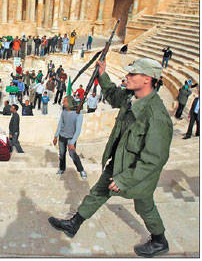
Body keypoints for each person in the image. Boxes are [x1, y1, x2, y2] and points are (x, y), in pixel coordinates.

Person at [48, 58, 173, 258]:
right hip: (119, 162)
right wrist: (102, 74)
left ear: (147, 79)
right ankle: (74, 224)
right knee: (98, 192)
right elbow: (114, 95)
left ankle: (160, 240)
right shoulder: (131, 97)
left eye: (132, 74)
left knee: (145, 207)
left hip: (138, 173)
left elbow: (155, 159)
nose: (127, 77)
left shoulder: (156, 116)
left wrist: (125, 179)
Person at [53, 95, 86, 178]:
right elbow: (60, 124)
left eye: (65, 101)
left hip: (71, 138)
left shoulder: (78, 115)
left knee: (73, 155)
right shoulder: (64, 112)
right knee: (61, 154)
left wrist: (72, 142)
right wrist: (56, 136)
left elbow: (78, 130)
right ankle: (62, 168)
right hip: (62, 137)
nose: (63, 103)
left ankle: (81, 170)